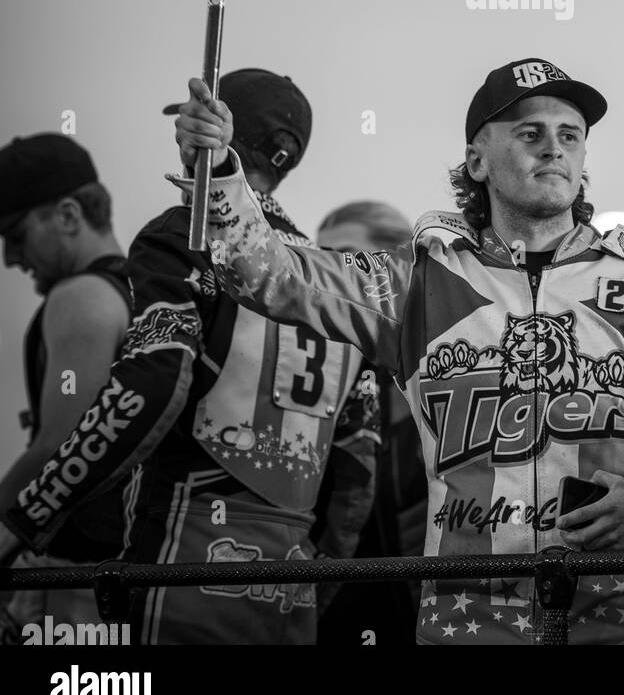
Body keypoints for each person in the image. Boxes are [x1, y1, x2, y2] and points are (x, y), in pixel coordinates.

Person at [165, 58, 624, 645]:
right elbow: (266, 275)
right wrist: (220, 168)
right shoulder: (418, 282)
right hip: (467, 625)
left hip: (615, 622)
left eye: (571, 136)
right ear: (477, 160)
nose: (554, 150)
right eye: (530, 133)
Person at [0, 70, 378, 645]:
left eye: (185, 127)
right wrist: (311, 586)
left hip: (178, 572)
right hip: (287, 594)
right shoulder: (330, 279)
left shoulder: (183, 236)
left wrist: (28, 518)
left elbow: (152, 383)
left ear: (213, 137)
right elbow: (357, 476)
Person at [0, 134, 130, 642]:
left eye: (15, 233)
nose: (10, 257)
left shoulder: (82, 297)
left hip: (76, 582)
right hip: (129, 572)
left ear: (70, 214)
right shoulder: (147, 293)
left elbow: (59, 447)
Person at [315, 201, 426, 645]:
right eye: (320, 262)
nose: (330, 279)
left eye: (344, 260)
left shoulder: (436, 367)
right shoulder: (321, 368)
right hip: (334, 599)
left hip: (430, 605)